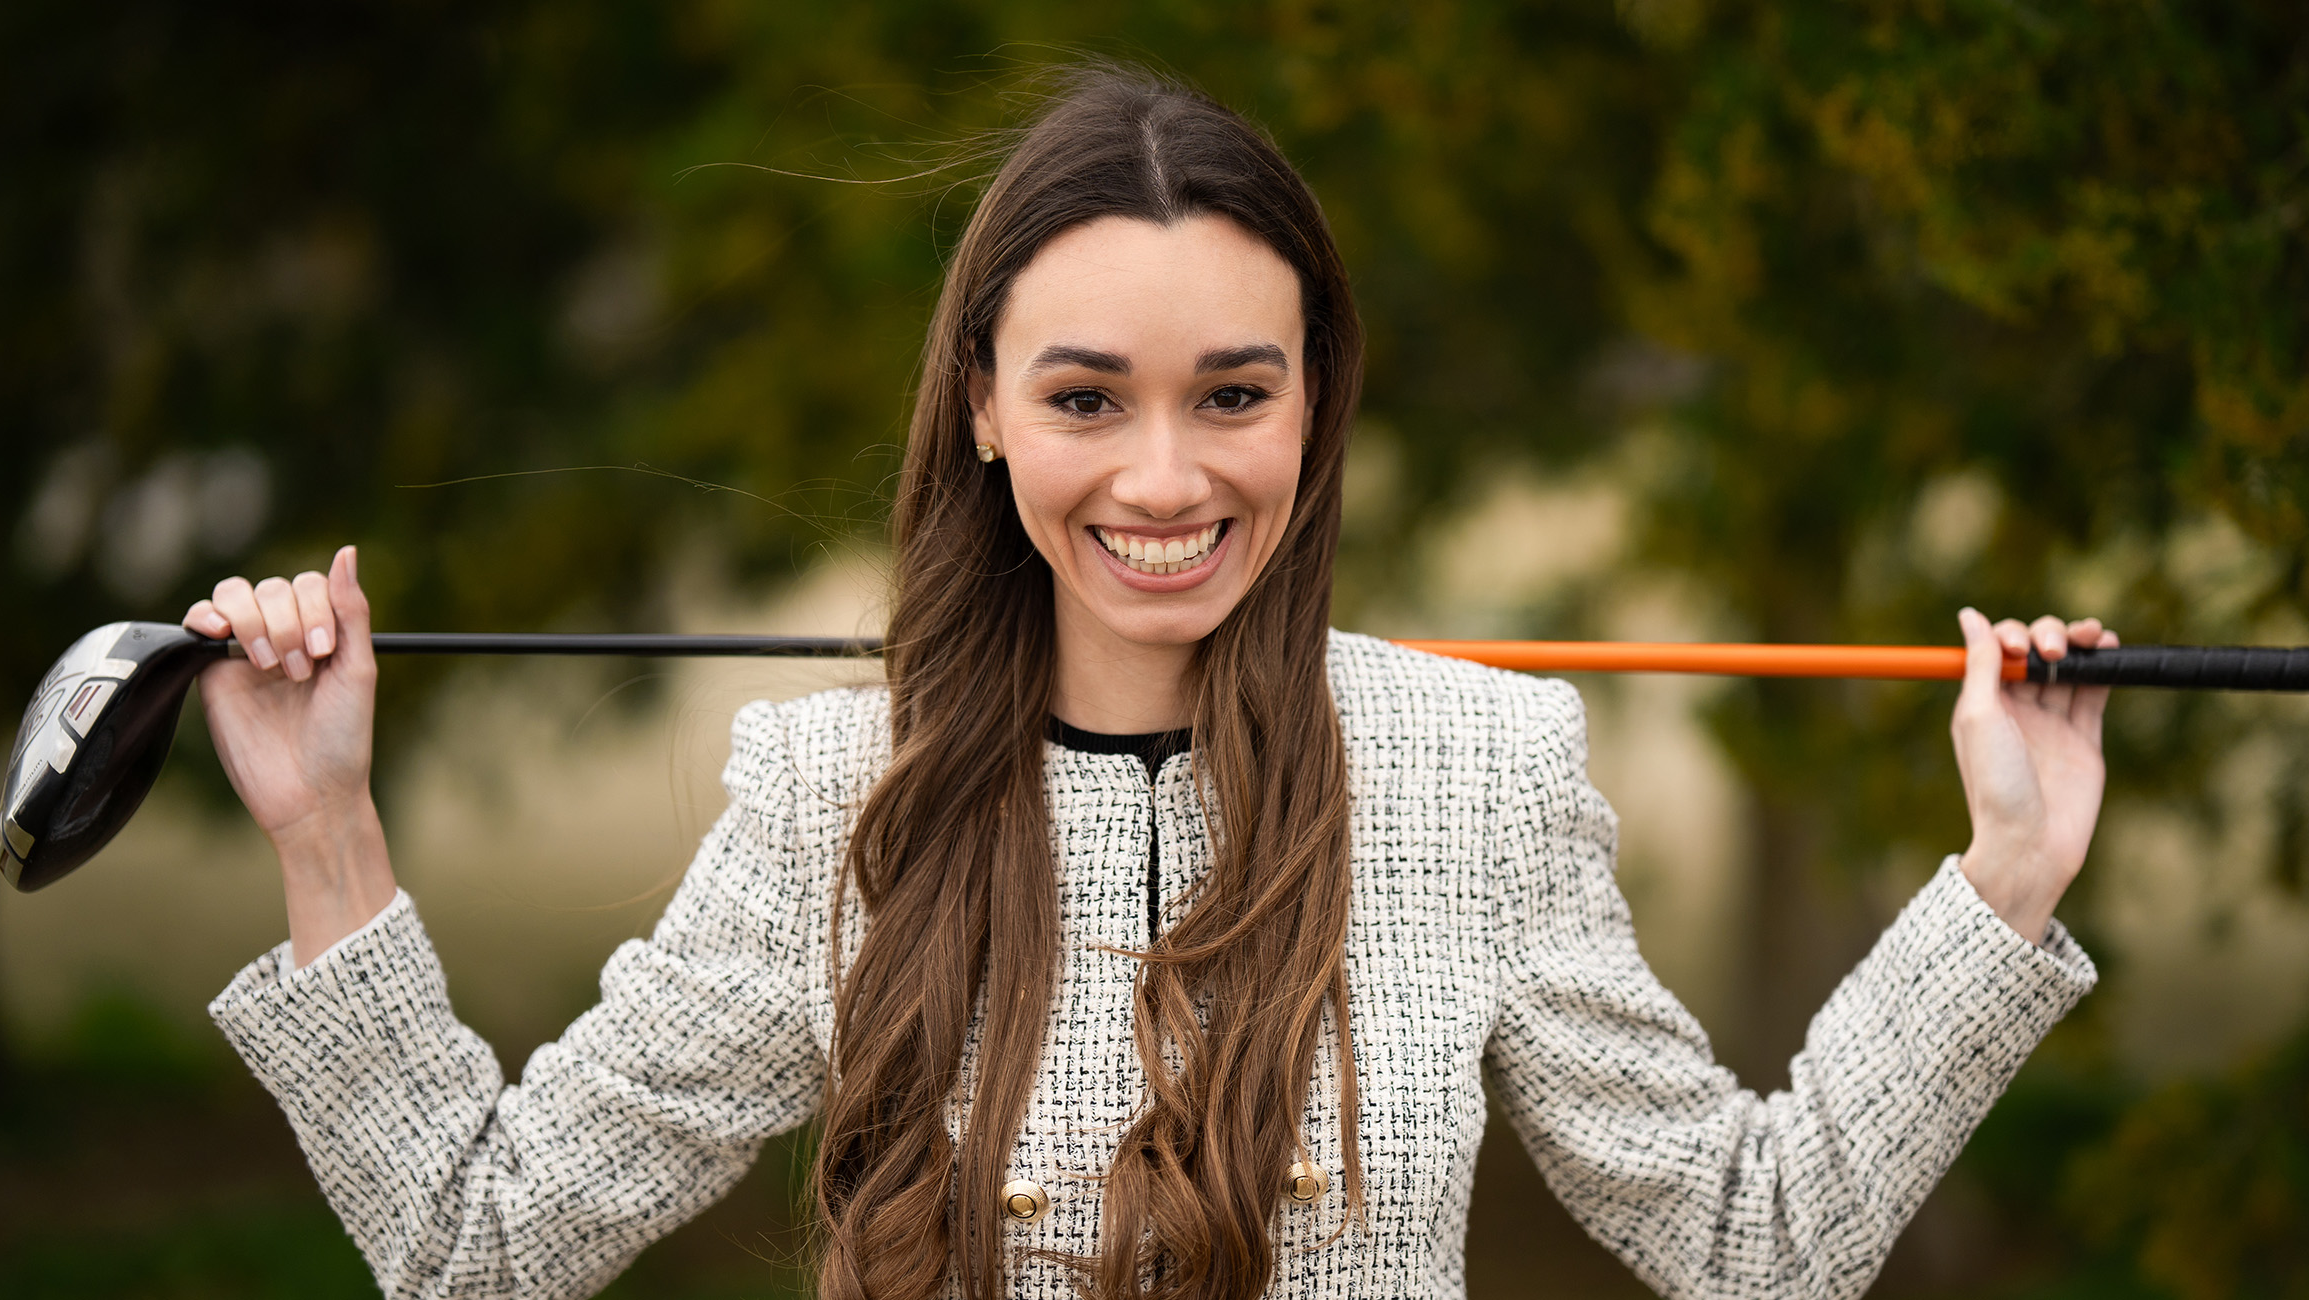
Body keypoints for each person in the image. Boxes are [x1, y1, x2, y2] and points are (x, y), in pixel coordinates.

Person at [190, 68, 2115, 1300]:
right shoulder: (826, 797)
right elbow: (477, 1243)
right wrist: (326, 824)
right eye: (1088, 398)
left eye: (1236, 396)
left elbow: (1753, 1241)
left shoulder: (1475, 765)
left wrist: (2004, 876)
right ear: (985, 412)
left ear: (1319, 405)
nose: (1168, 479)